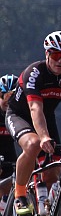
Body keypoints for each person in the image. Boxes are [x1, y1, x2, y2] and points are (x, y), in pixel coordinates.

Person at [5, 31, 61, 216]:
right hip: (20, 115)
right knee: (34, 144)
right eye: (55, 55)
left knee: (54, 173)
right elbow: (35, 108)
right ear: (47, 54)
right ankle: (20, 193)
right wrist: (44, 136)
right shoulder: (35, 73)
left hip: (46, 117)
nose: (60, 61)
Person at [0, 74, 19, 207]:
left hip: (9, 154)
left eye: (12, 96)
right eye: (5, 96)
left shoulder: (19, 112)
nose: (8, 100)